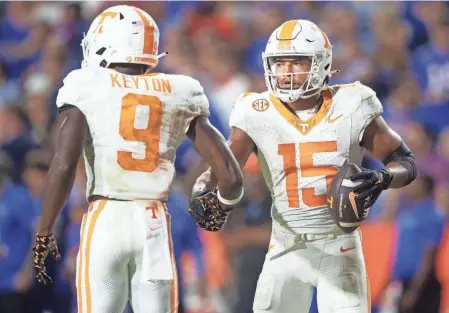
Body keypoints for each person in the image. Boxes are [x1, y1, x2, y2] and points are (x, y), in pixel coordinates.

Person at [190, 19, 417, 313]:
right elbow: (225, 167)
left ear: (321, 62)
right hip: (286, 245)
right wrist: (204, 189)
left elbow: (405, 163)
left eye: (296, 61)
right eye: (279, 62)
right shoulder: (256, 110)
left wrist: (380, 178)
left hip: (340, 245)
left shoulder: (352, 103)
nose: (285, 71)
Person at [31, 5, 243, 313]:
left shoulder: (86, 84)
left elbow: (63, 165)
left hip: (106, 217)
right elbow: (231, 176)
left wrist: (44, 229)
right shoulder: (179, 89)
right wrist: (223, 203)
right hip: (153, 222)